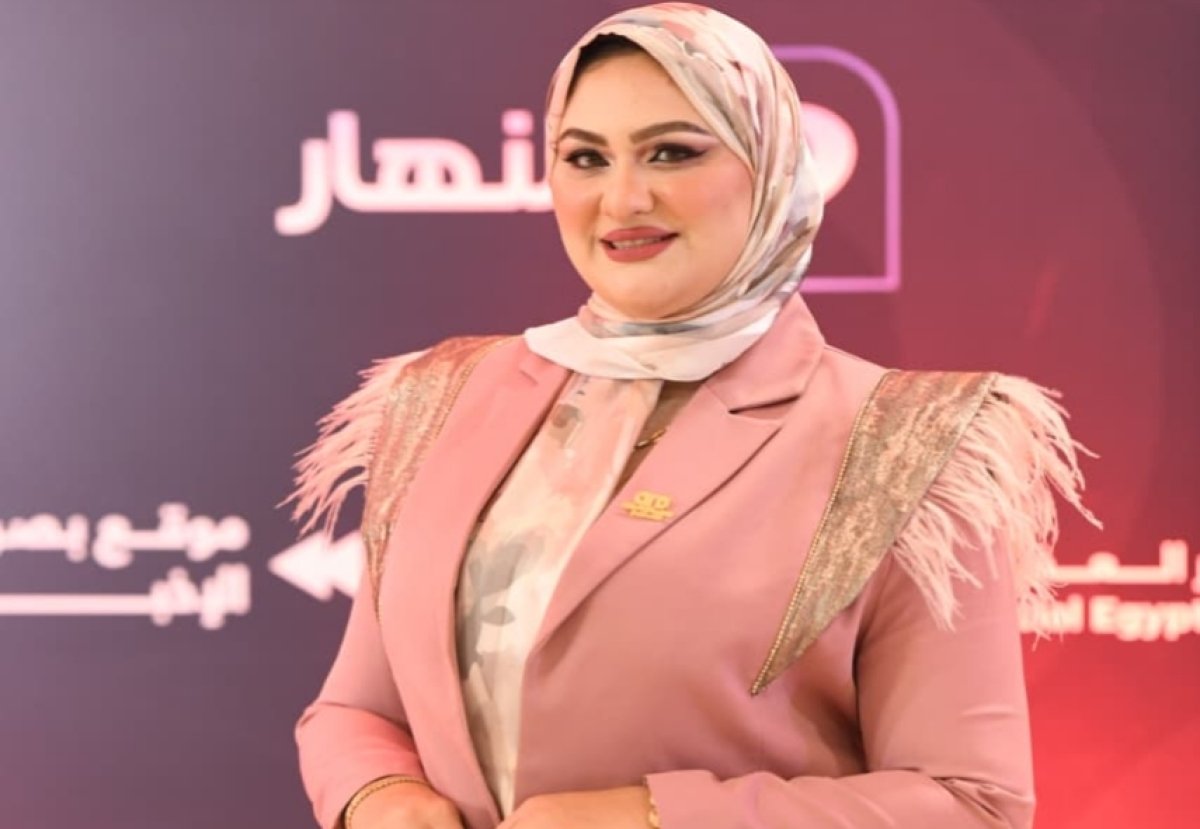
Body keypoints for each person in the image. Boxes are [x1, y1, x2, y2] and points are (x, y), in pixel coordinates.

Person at [287, 4, 1096, 829]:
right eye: (585, 157)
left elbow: (970, 803)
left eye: (672, 151)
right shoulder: (445, 396)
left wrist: (644, 818)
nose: (623, 197)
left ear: (772, 166)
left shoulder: (904, 444)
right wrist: (379, 794)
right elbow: (356, 709)